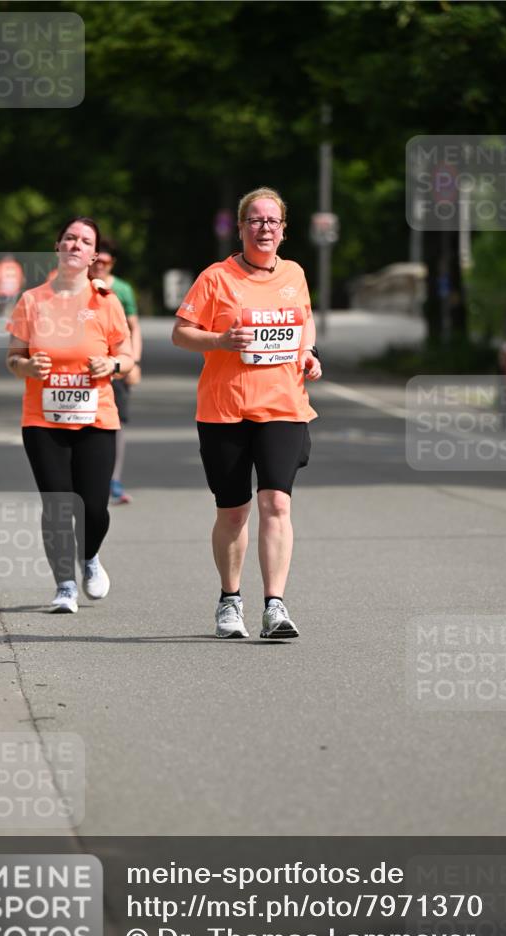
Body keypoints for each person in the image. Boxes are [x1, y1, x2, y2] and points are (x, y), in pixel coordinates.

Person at [172, 186, 322, 639]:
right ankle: (229, 600)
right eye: (255, 220)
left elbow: (304, 318)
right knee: (234, 511)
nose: (264, 228)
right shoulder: (216, 278)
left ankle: (275, 605)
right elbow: (181, 333)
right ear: (241, 229)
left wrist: (308, 351)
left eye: (272, 221)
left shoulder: (294, 273)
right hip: (225, 409)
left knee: (276, 502)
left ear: (283, 231)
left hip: (283, 404)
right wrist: (218, 341)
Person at [6, 217, 134, 613]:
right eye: (69, 239)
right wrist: (27, 368)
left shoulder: (105, 301)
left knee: (93, 505)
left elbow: (127, 357)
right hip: (44, 419)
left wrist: (111, 366)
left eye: (85, 241)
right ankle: (64, 584)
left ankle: (89, 558)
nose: (76, 245)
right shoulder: (32, 300)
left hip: (96, 417)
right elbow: (14, 356)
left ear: (95, 254)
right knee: (58, 503)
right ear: (58, 247)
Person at [89, 239, 143, 504]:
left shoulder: (121, 289)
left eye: (105, 262)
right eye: (96, 260)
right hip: (86, 368)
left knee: (117, 423)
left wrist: (135, 361)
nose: (100, 265)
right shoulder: (80, 286)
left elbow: (134, 328)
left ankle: (114, 480)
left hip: (116, 366)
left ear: (112, 263)